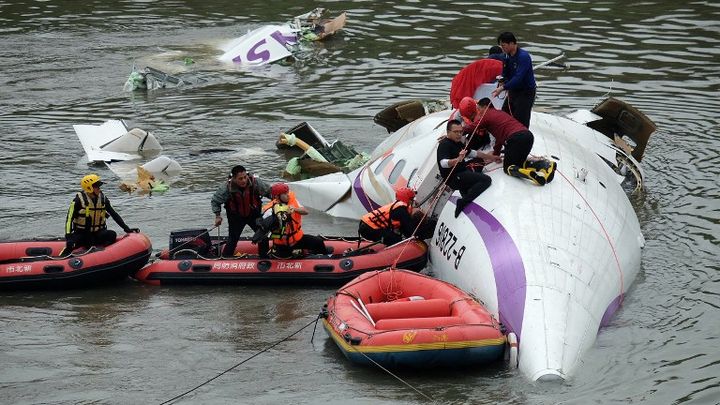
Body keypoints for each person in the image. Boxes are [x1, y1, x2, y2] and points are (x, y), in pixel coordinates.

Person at [474, 97, 556, 185]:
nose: (479, 112)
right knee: (519, 162)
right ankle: (545, 165)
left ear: (485, 107)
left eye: (479, 109)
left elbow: (473, 127)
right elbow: (499, 138)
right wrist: (496, 153)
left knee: (508, 167)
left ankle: (529, 175)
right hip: (528, 136)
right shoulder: (501, 113)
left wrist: (462, 129)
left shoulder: (487, 116)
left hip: (515, 139)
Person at [61, 174, 138, 256]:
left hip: (98, 232)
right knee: (75, 243)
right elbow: (69, 220)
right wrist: (68, 237)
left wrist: (127, 229)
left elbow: (114, 214)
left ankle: (104, 254)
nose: (99, 188)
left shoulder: (103, 199)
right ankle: (63, 257)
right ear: (89, 188)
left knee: (112, 235)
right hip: (82, 233)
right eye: (97, 186)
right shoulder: (78, 201)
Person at [436, 119, 497, 218]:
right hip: (454, 177)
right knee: (486, 180)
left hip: (462, 171)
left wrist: (493, 158)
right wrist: (458, 159)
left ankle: (466, 192)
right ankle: (462, 202)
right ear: (448, 132)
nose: (459, 134)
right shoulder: (445, 145)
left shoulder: (458, 143)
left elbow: (473, 153)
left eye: (461, 132)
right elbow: (443, 163)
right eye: (456, 132)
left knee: (479, 160)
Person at [211, 165, 271, 258]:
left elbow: (270, 192)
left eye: (245, 177)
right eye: (240, 179)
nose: (243, 180)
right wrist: (217, 216)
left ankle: (264, 257)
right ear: (234, 179)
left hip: (253, 214)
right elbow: (215, 201)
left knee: (262, 236)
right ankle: (226, 258)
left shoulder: (256, 183)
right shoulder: (226, 188)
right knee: (232, 240)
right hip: (236, 217)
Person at [261, 183, 327, 258]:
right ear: (277, 196)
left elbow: (305, 211)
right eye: (285, 194)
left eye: (287, 192)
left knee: (318, 242)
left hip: (297, 239)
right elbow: (264, 229)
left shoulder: (292, 200)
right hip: (282, 244)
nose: (288, 195)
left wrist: (295, 209)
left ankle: (325, 258)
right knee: (286, 257)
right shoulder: (270, 210)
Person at [491, 32, 537, 128]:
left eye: (504, 46)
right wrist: (502, 80)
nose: (502, 49)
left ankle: (522, 139)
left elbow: (518, 78)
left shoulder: (523, 57)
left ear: (512, 43)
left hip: (525, 92)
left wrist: (503, 88)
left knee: (520, 120)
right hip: (513, 91)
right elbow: (505, 72)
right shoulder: (507, 56)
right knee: (504, 115)